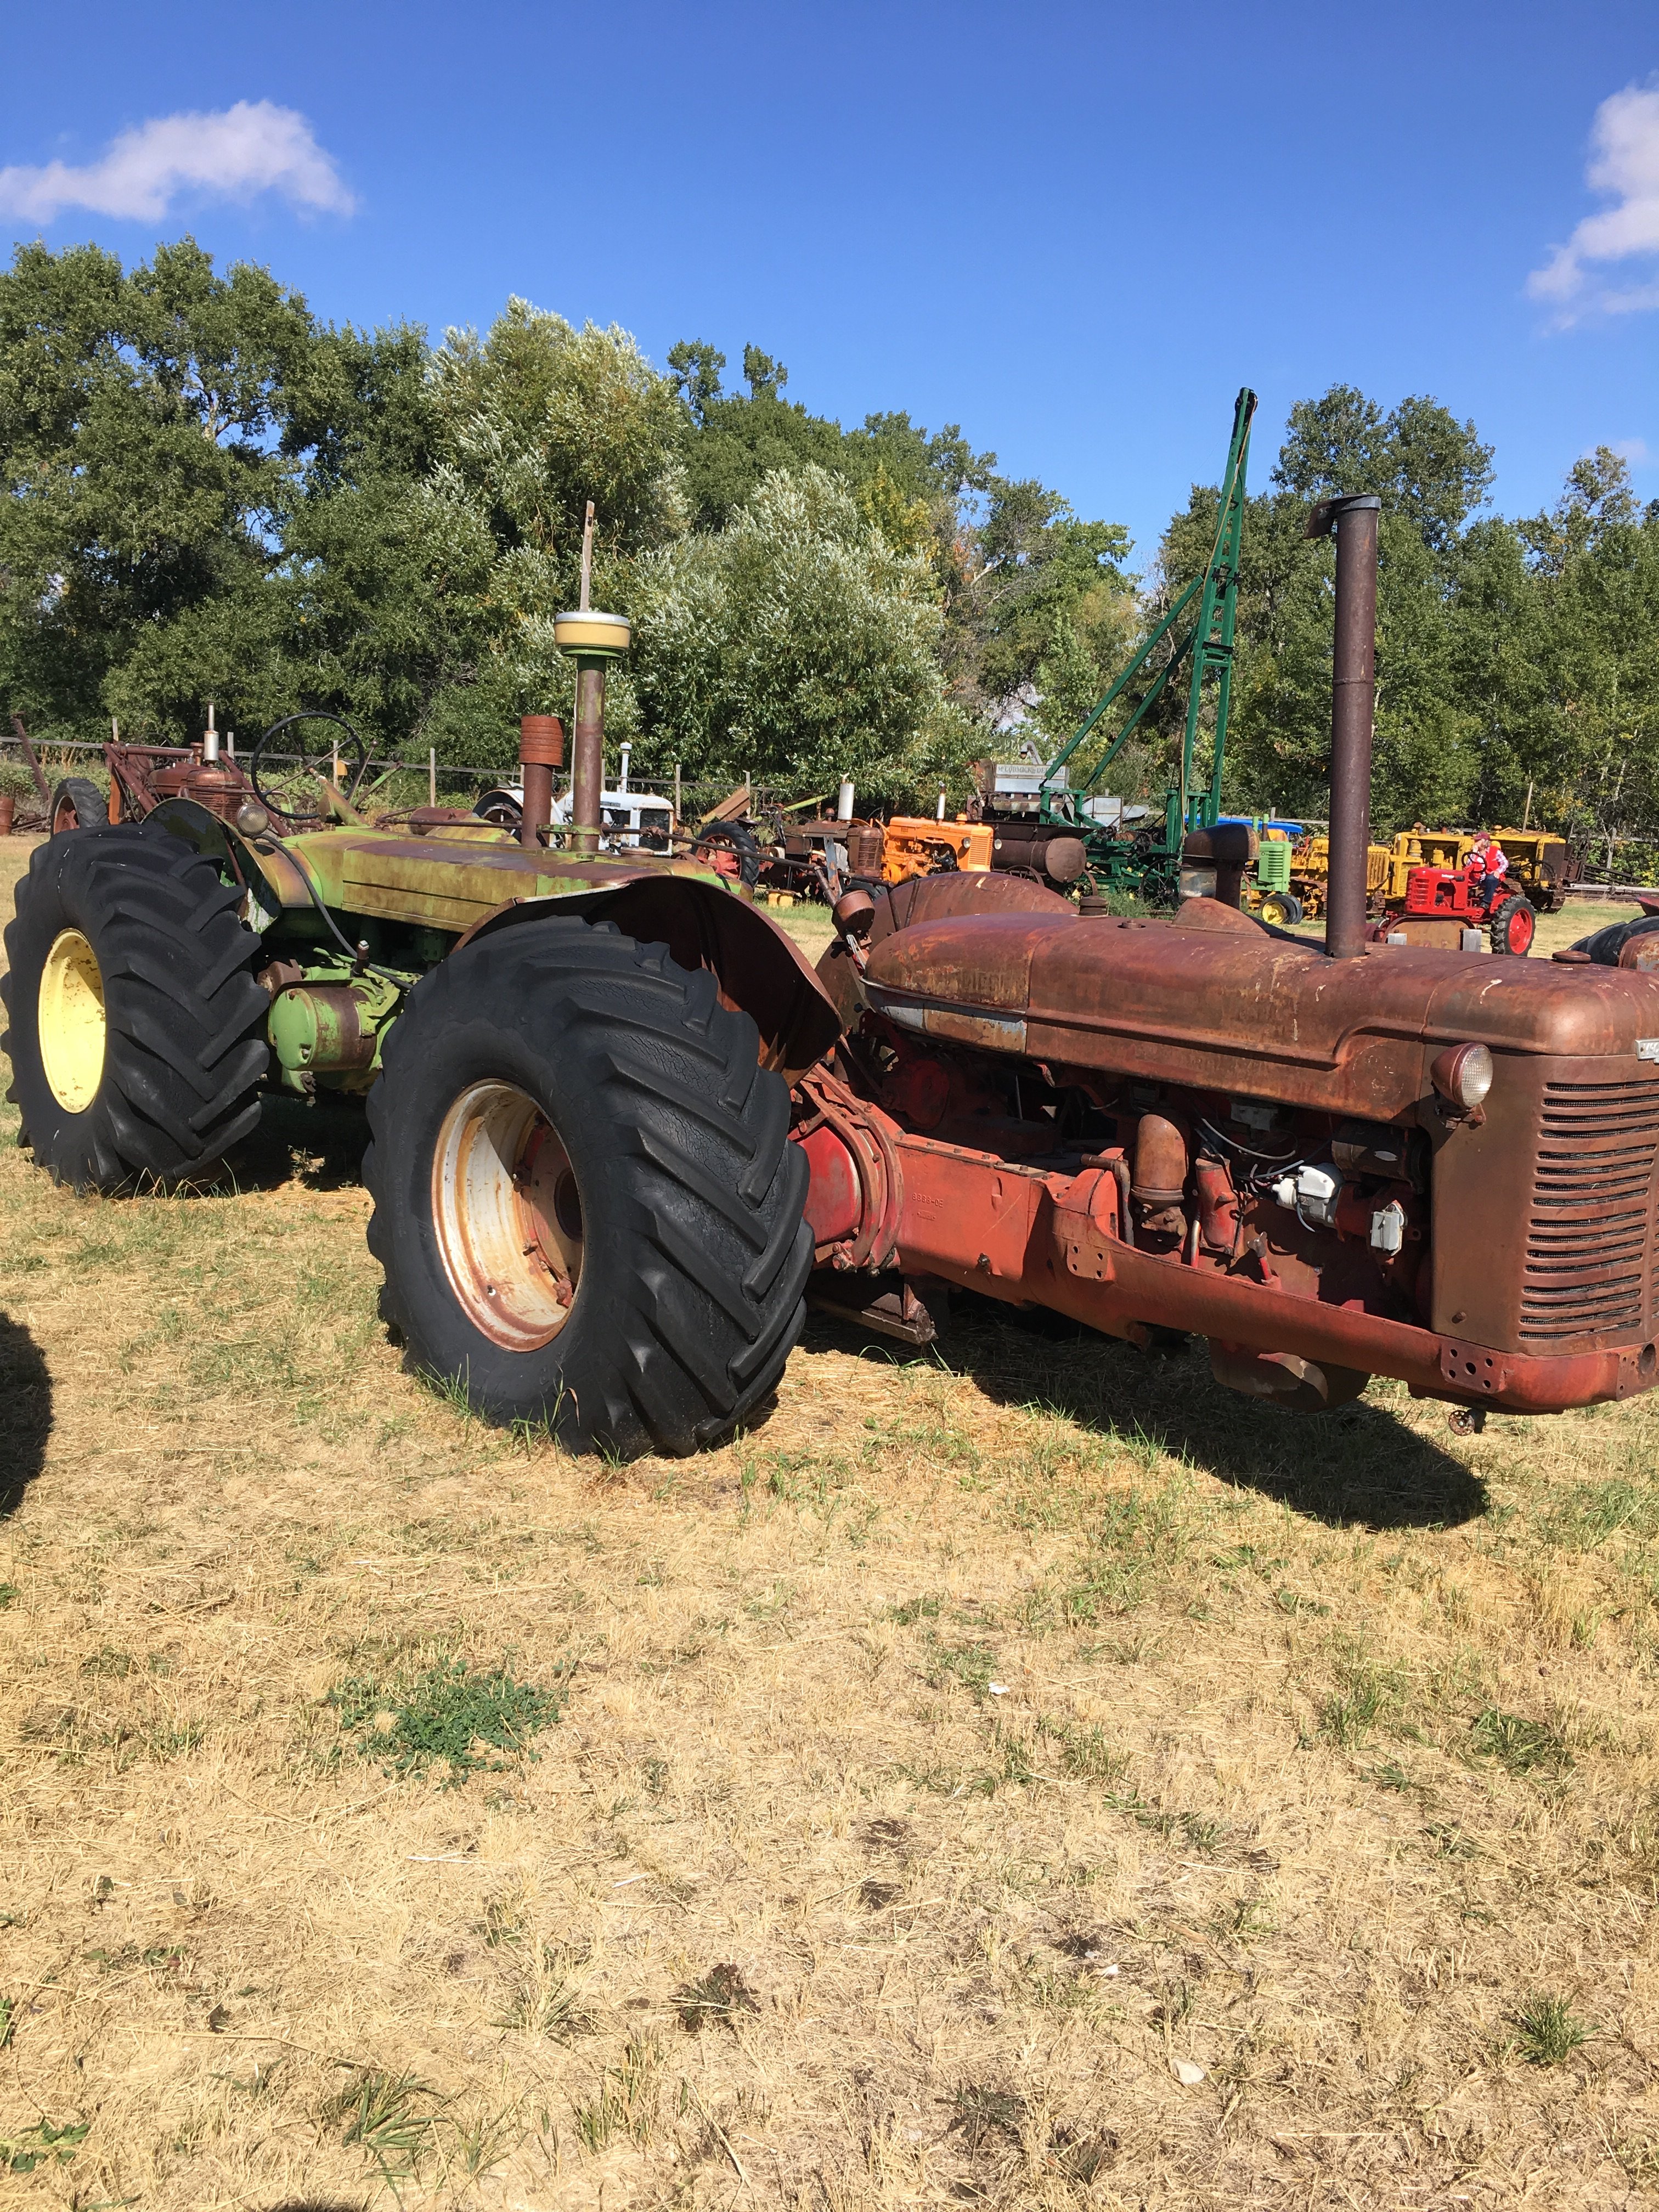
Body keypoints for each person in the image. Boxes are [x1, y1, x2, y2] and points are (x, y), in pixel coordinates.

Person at [1466, 832, 1509, 910]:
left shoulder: (1494, 851)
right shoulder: (1474, 852)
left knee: (1492, 878)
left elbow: (1505, 863)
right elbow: (1468, 866)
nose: (1475, 843)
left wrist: (1498, 871)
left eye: (1477, 841)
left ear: (1484, 842)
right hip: (1476, 878)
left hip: (1489, 877)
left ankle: (1486, 902)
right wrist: (1474, 853)